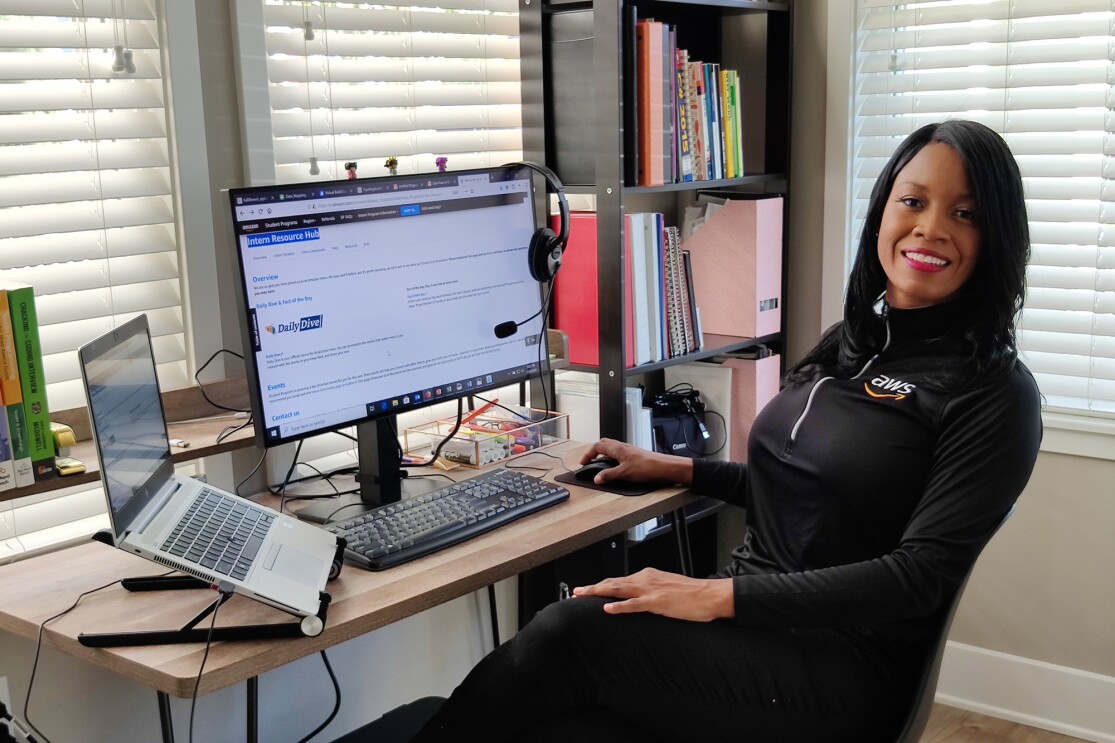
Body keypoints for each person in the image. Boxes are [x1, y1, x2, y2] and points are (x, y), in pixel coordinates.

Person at [413, 120, 1042, 742]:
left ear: (997, 238)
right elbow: (813, 489)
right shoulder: (855, 342)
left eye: (966, 213)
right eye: (914, 201)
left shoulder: (993, 392)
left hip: (839, 663)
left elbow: (918, 576)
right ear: (883, 211)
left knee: (570, 633)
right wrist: (683, 469)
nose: (931, 228)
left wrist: (714, 599)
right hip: (755, 615)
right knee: (564, 724)